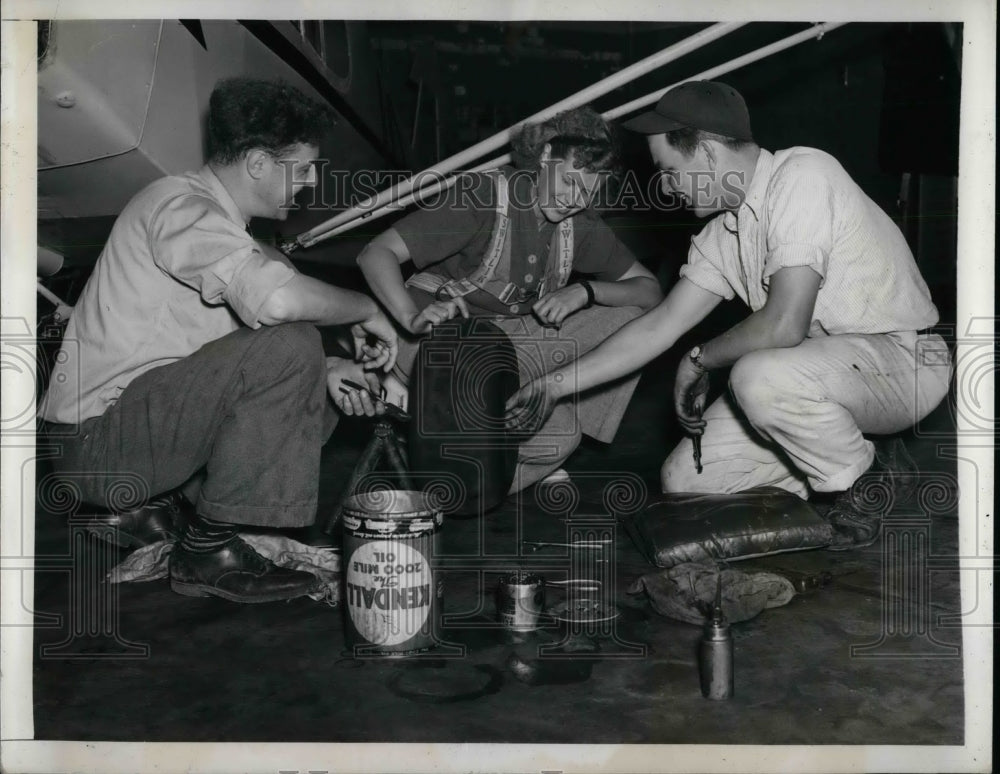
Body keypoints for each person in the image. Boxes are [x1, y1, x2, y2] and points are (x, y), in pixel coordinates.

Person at [506, 80, 952, 548]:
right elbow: (658, 325)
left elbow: (785, 323)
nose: (665, 185)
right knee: (686, 482)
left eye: (670, 169)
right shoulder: (724, 233)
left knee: (757, 375)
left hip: (902, 364)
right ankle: (837, 463)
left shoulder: (803, 174)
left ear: (710, 153)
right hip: (819, 381)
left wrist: (697, 359)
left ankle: (869, 477)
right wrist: (551, 385)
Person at [39, 78, 398, 602]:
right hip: (96, 445)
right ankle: (210, 549)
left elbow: (228, 349)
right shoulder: (180, 206)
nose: (308, 186)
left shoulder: (233, 235)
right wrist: (369, 307)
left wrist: (328, 370)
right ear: (257, 163)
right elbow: (277, 305)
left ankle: (167, 511)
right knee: (293, 340)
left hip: (132, 428)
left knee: (307, 362)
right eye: (300, 170)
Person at [357, 106, 663, 492]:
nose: (574, 199)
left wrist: (586, 291)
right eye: (569, 182)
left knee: (568, 429)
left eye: (588, 191)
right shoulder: (481, 196)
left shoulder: (581, 223)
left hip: (506, 350)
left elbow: (650, 291)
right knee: (496, 412)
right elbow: (375, 253)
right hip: (435, 343)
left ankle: (469, 457)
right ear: (546, 156)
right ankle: (429, 422)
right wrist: (409, 318)